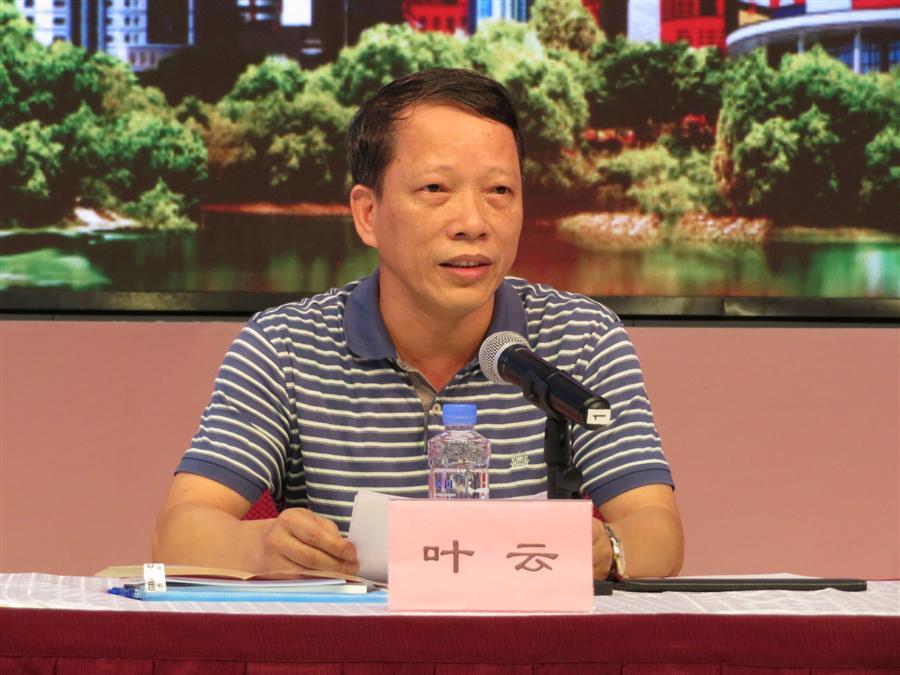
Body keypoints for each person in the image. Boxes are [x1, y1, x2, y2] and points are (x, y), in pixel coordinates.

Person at [153, 68, 683, 581]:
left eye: (500, 191)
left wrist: (611, 547)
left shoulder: (581, 337)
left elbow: (658, 531)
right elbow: (176, 534)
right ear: (368, 214)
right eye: (435, 188)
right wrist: (262, 547)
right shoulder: (284, 346)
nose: (473, 223)